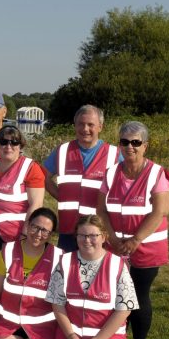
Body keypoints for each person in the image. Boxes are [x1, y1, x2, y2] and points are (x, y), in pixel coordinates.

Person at [97, 121, 169, 339]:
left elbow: (161, 210)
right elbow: (101, 210)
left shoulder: (156, 173)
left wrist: (136, 239)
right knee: (115, 292)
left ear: (145, 146)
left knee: (138, 294)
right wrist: (112, 237)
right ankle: (116, 336)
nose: (130, 147)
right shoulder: (111, 173)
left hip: (146, 248)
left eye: (136, 142)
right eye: (124, 142)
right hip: (116, 246)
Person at [45, 215, 138, 339]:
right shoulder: (65, 261)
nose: (87, 240)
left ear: (104, 237)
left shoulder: (117, 264)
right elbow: (57, 303)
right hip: (71, 332)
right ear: (76, 237)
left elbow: (124, 309)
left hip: (104, 334)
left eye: (93, 236)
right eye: (82, 235)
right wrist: (70, 334)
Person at [0, 208, 63, 339]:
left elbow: (61, 300)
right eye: (35, 227)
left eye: (45, 231)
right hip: (8, 323)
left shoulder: (59, 258)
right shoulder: (7, 251)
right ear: (27, 225)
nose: (38, 234)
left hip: (41, 327)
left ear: (51, 234)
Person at [0, 125, 44, 307]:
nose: (8, 146)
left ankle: (6, 327)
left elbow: (36, 204)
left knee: (8, 285)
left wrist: (26, 233)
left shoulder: (30, 168)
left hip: (13, 237)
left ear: (21, 146)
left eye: (14, 142)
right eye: (4, 142)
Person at [43, 105, 120, 252]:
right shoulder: (63, 151)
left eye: (90, 124)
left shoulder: (114, 154)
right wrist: (63, 196)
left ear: (100, 127)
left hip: (98, 230)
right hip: (69, 229)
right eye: (81, 124)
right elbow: (43, 177)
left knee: (96, 272)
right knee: (68, 271)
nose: (85, 129)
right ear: (75, 126)